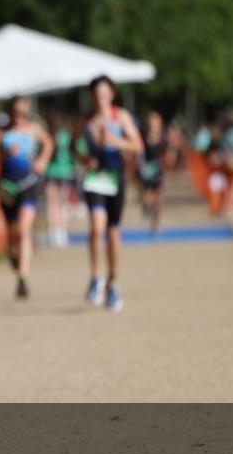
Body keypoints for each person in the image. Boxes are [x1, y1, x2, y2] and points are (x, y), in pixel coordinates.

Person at [74, 76, 144, 312]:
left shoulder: (120, 116)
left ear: (112, 95)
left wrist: (117, 141)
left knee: (113, 230)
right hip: (95, 178)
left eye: (105, 93)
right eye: (96, 94)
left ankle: (113, 283)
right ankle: (96, 278)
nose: (100, 98)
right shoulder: (85, 120)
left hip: (116, 178)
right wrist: (84, 158)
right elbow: (73, 145)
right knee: (96, 227)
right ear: (91, 96)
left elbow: (138, 145)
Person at [0, 96, 53, 298]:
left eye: (22, 112)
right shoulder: (1, 132)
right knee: (13, 232)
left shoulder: (33, 130)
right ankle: (14, 255)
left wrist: (42, 161)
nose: (19, 116)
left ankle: (23, 278)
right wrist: (3, 155)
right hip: (7, 187)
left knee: (24, 230)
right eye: (15, 112)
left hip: (29, 184)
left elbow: (49, 143)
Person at [43, 110, 77, 247]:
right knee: (62, 204)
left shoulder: (50, 135)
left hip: (52, 172)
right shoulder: (66, 135)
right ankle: (62, 232)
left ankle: (54, 232)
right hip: (64, 172)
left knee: (52, 204)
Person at [137, 111, 167, 235]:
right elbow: (139, 151)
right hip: (146, 168)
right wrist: (140, 164)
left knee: (159, 200)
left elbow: (167, 154)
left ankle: (155, 226)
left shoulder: (163, 138)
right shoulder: (143, 136)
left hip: (158, 169)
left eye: (156, 123)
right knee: (147, 192)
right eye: (152, 123)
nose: (154, 125)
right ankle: (146, 205)